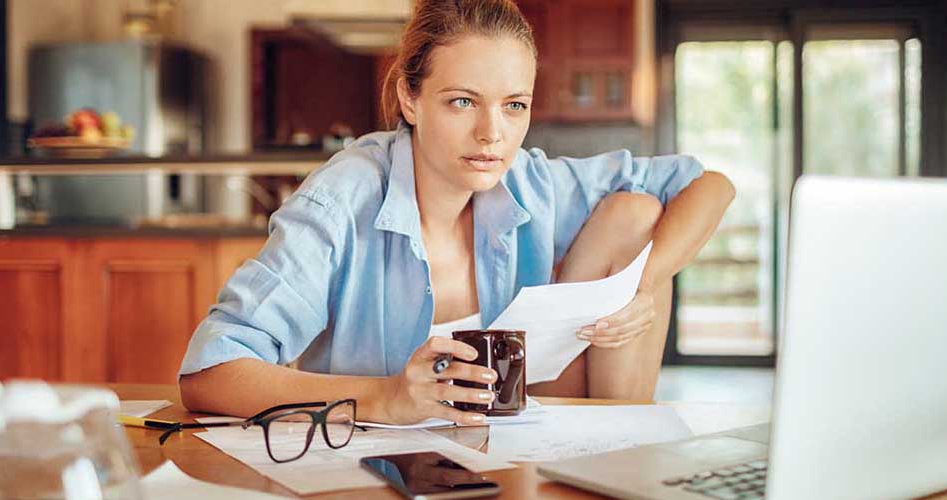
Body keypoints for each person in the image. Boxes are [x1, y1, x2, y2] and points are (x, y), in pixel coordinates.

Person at [179, 0, 734, 426]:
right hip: (380, 466)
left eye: (514, 105)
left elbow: (710, 185)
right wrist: (387, 396)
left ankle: (612, 459)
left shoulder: (531, 181)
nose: (492, 134)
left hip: (523, 443)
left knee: (635, 215)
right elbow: (209, 374)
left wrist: (642, 287)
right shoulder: (342, 198)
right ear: (410, 99)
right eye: (463, 101)